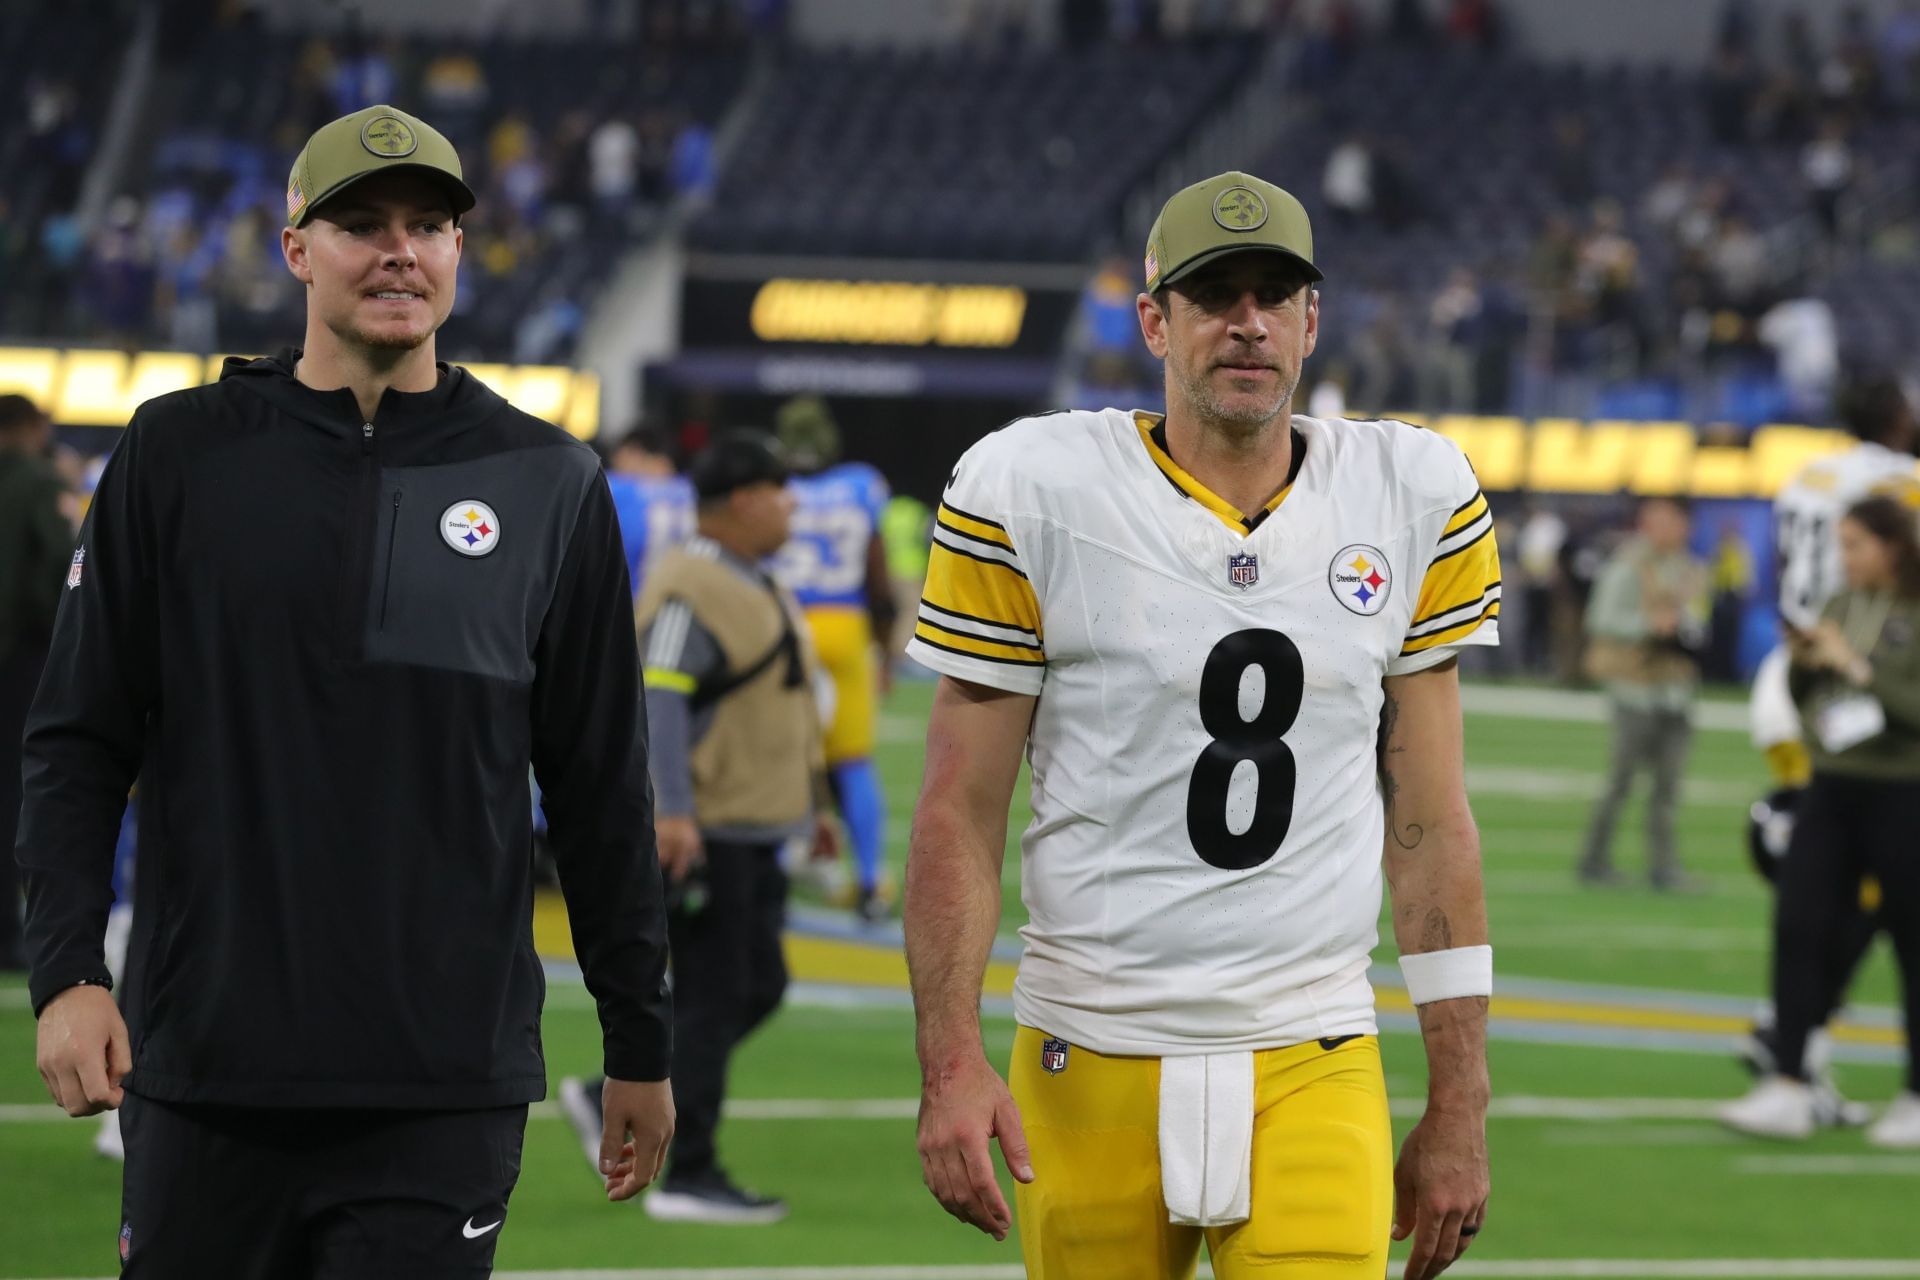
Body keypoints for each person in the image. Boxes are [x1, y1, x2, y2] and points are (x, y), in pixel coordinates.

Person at [17, 105, 674, 1277]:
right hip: (208, 1064)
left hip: (442, 1081)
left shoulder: (550, 479)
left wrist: (641, 1038)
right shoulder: (176, 454)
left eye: (430, 225)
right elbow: (77, 740)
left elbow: (597, 787)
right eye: (361, 224)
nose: (400, 251)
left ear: (462, 253)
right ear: (294, 249)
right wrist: (69, 970)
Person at [903, 172, 1496, 1280]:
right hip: (1092, 1044)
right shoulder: (1032, 487)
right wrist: (949, 1060)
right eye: (1213, 294)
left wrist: (1460, 1100)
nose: (1248, 322)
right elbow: (958, 807)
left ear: (1314, 321)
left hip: (1313, 1045)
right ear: (1153, 321)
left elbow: (1429, 822)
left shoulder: (1410, 489)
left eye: (1276, 294)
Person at [562, 430, 837, 1224]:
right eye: (782, 492)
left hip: (754, 822)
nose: (791, 508)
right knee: (716, 1000)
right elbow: (663, 697)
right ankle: (689, 1171)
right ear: (745, 498)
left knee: (756, 985)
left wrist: (808, 806)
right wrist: (673, 807)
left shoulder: (751, 578)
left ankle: (604, 1092)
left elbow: (775, 702)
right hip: (711, 827)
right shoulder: (691, 585)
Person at [1722, 496, 1920, 1147]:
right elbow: (1816, 700)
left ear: (1893, 547)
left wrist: (1856, 669)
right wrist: (1809, 665)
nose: (1846, 557)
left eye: (1857, 544)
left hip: (1902, 791)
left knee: (1910, 941)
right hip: (1832, 784)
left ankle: (1915, 1095)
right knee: (1799, 924)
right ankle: (1788, 1083)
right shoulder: (1841, 602)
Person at [1744, 377, 1919, 1091]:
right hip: (1861, 668)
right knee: (1867, 881)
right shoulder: (1901, 486)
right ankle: (1797, 1033)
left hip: (1792, 669)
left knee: (1825, 875)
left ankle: (1798, 1043)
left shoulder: (1804, 474)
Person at [770, 395, 899, 922]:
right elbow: (879, 579)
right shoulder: (859, 487)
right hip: (845, 627)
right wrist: (886, 654)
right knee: (854, 763)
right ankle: (869, 882)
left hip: (785, 624)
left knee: (776, 760)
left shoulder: (773, 488)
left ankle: (773, 875)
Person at [1576, 497, 1708, 890]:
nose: (1660, 529)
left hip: (1676, 690)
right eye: (1654, 520)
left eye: (1669, 521)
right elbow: (1600, 619)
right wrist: (1649, 625)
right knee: (1621, 781)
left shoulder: (1692, 569)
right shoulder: (1627, 566)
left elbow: (1699, 625)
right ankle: (1594, 860)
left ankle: (1664, 868)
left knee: (1667, 787)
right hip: (1634, 689)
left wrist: (1687, 631)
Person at [0, 394, 72, 972]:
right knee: (16, 793)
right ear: (28, 427)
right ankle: (8, 933)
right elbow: (56, 569)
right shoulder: (34, 480)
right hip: (18, 657)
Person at [605, 421, 696, 596]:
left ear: (634, 452)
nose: (614, 462)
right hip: (677, 609)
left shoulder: (613, 488)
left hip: (628, 604)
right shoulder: (692, 492)